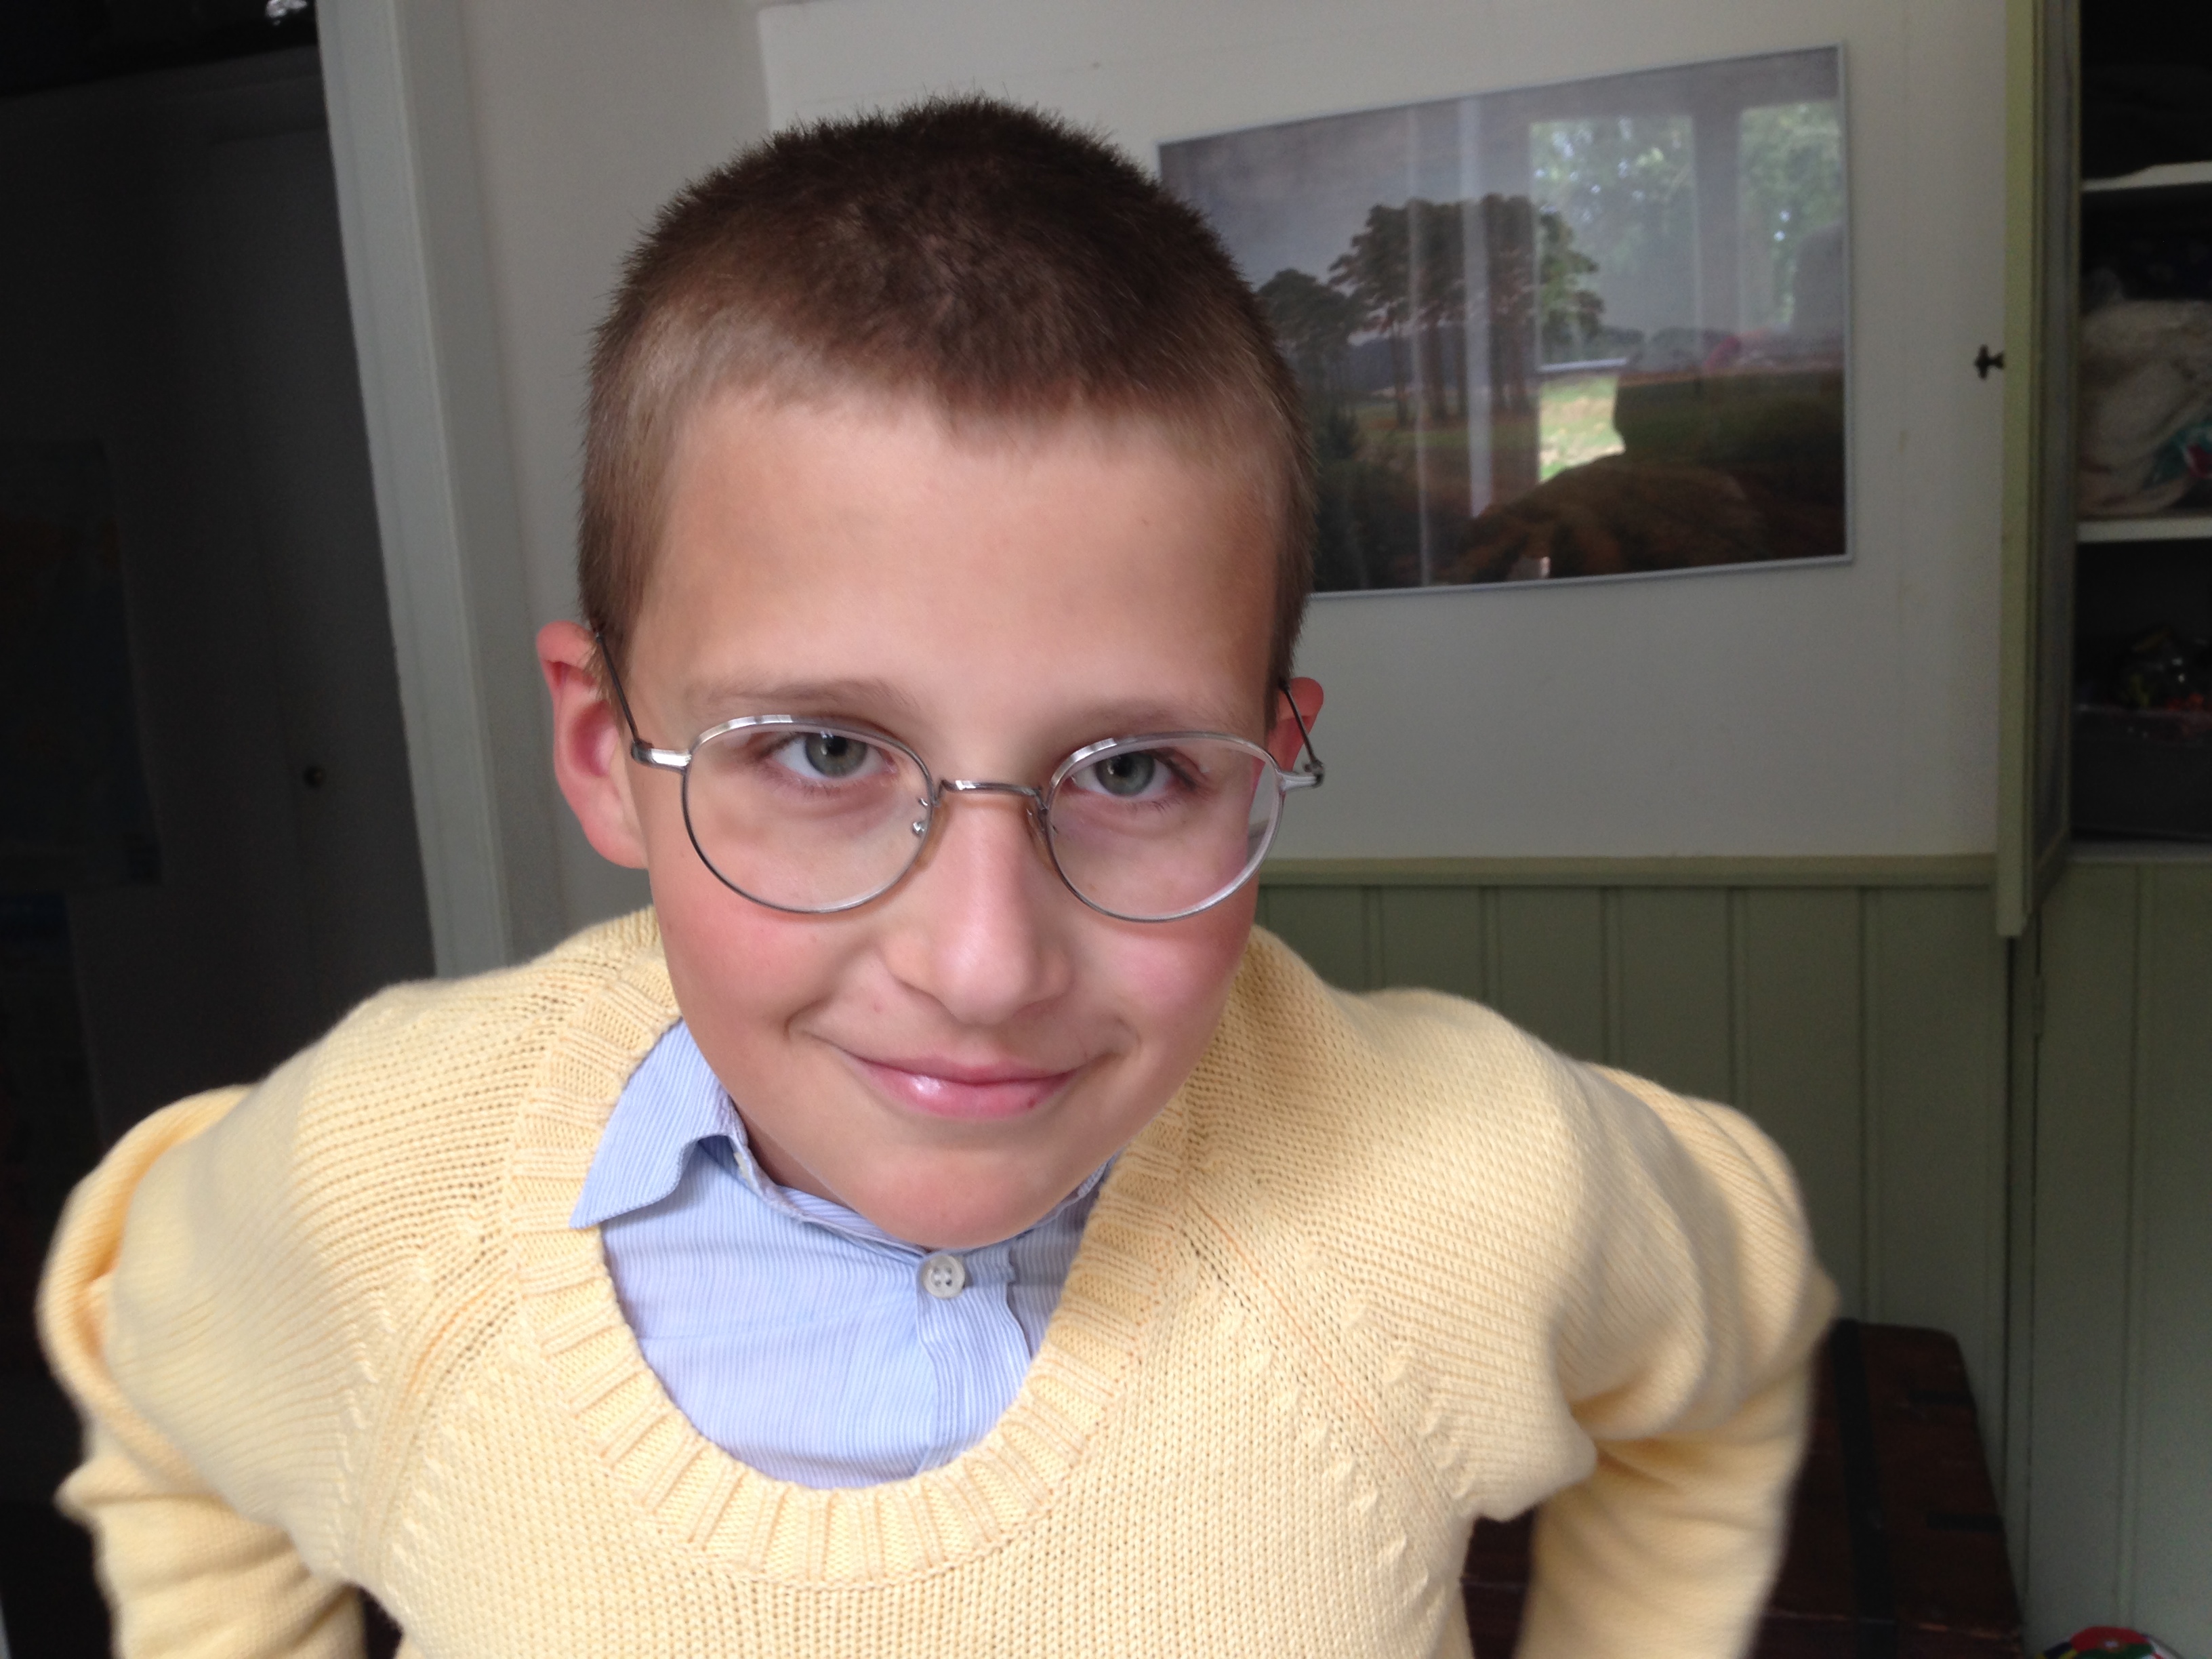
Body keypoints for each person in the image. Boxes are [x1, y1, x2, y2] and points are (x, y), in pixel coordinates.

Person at [39, 98, 1833, 1658]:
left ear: (1267, 760)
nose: (983, 965)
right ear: (604, 750)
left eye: (1130, 771)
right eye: (826, 753)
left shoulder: (1466, 1187)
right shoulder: (379, 1190)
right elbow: (155, 1366)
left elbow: (1734, 1300)